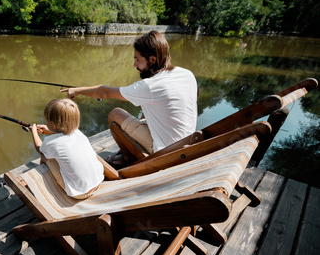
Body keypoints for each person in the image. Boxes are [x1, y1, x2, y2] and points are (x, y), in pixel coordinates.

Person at [61, 30, 198, 166]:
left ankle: (128, 158)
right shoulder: (187, 74)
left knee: (115, 114)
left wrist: (77, 90)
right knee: (147, 109)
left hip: (166, 152)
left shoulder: (149, 86)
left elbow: (105, 92)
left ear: (152, 59)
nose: (135, 65)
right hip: (188, 144)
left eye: (137, 59)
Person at [30, 98, 104, 199]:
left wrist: (33, 131)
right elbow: (63, 136)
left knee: (45, 156)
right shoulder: (78, 132)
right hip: (98, 181)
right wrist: (50, 130)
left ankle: (45, 179)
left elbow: (40, 149)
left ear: (53, 125)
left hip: (80, 193)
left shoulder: (50, 142)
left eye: (46, 121)